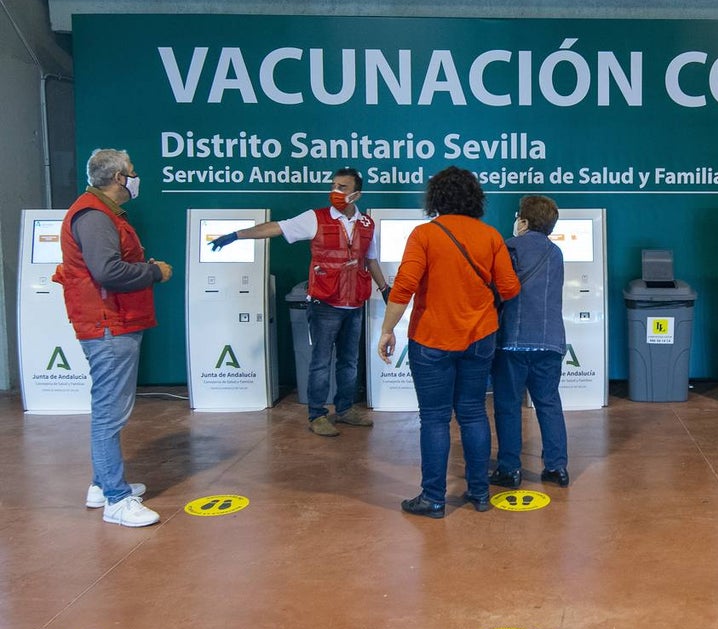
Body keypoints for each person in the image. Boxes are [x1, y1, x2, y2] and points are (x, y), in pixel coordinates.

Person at [377, 166, 520, 518]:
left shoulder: (424, 234)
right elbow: (510, 288)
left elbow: (405, 286)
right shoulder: (489, 236)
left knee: (435, 418)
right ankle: (480, 493)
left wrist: (387, 329)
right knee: (473, 413)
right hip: (480, 338)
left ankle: (434, 498)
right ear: (475, 197)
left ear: (436, 198)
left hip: (431, 339)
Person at [209, 167, 387, 437]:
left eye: (343, 187)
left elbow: (370, 259)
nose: (336, 191)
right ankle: (317, 414)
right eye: (334, 185)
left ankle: (345, 409)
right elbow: (277, 228)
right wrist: (237, 235)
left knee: (349, 362)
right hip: (326, 303)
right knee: (320, 361)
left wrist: (384, 287)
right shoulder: (315, 218)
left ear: (357, 194)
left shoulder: (366, 225)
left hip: (354, 305)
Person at [53, 149, 172, 527]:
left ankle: (100, 485)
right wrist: (153, 272)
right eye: (133, 172)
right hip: (108, 324)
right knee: (109, 412)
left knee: (110, 408)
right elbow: (107, 271)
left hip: (113, 320)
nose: (137, 177)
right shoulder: (94, 216)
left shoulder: (99, 213)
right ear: (120, 178)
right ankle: (117, 501)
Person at [490, 195, 570, 489]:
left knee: (508, 405)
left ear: (522, 221)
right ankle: (556, 467)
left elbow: (498, 290)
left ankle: (510, 469)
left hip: (512, 340)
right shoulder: (557, 253)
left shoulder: (509, 247)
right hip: (550, 342)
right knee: (548, 403)